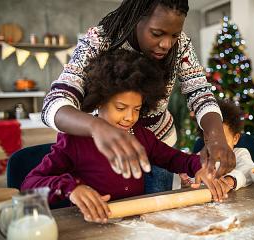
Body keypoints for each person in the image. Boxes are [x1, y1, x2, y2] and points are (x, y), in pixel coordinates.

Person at [41, 0, 236, 192]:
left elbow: (199, 92)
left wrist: (215, 136)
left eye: (174, 35)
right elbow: (56, 102)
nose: (167, 44)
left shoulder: (181, 45)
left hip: (158, 146)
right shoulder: (99, 40)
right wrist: (96, 127)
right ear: (136, 18)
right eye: (157, 33)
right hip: (107, 147)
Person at [22, 49, 227, 224]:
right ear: (100, 101)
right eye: (121, 108)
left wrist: (199, 166)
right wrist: (71, 189)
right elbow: (29, 185)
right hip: (90, 226)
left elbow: (173, 158)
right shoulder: (74, 140)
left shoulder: (140, 135)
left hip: (133, 225)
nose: (129, 117)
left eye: (137, 109)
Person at [192, 99, 254, 191]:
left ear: (235, 138)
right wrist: (188, 181)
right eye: (208, 140)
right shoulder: (199, 158)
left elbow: (248, 171)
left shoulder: (240, 154)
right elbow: (193, 177)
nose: (215, 147)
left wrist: (229, 181)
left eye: (222, 141)